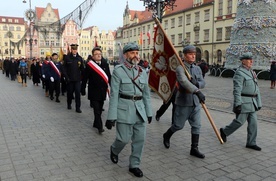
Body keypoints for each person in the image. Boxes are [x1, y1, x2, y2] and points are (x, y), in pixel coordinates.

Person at [105, 42, 152, 178]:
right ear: (125, 55)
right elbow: (114, 95)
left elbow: (146, 95)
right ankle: (114, 149)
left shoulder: (142, 72)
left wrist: (149, 113)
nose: (135, 55)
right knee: (123, 139)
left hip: (140, 111)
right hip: (124, 109)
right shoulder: (118, 71)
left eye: (137, 53)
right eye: (132, 53)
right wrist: (111, 116)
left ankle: (134, 165)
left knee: (139, 140)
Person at [162, 45, 206, 159]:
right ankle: (166, 135)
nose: (193, 56)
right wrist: (196, 90)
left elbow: (203, 82)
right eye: (190, 54)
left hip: (195, 102)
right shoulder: (180, 68)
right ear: (185, 55)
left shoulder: (197, 68)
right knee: (178, 125)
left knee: (197, 125)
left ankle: (194, 148)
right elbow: (183, 82)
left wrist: (198, 84)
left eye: (194, 54)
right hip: (183, 101)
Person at [220, 52, 262, 151]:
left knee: (253, 123)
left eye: (252, 59)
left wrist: (259, 102)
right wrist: (237, 104)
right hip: (244, 102)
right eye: (248, 59)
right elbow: (237, 90)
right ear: (243, 61)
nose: (251, 61)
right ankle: (224, 131)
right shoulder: (239, 72)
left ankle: (251, 143)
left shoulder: (252, 72)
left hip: (253, 102)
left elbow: (257, 88)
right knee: (239, 121)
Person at [81, 47, 111, 134]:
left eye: (100, 54)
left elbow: (109, 76)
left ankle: (95, 122)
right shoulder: (89, 65)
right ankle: (100, 127)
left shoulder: (105, 64)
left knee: (100, 108)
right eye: (96, 54)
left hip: (102, 91)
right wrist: (83, 89)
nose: (99, 56)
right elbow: (85, 78)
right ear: (93, 56)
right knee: (97, 110)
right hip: (93, 91)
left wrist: (112, 86)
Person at [63, 44, 84, 113]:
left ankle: (78, 107)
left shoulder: (79, 58)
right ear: (71, 50)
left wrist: (83, 78)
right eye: (73, 50)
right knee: (70, 93)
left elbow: (82, 69)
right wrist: (66, 77)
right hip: (70, 79)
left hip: (77, 79)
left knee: (78, 93)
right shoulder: (67, 58)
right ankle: (69, 104)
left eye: (76, 50)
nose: (75, 51)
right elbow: (64, 68)